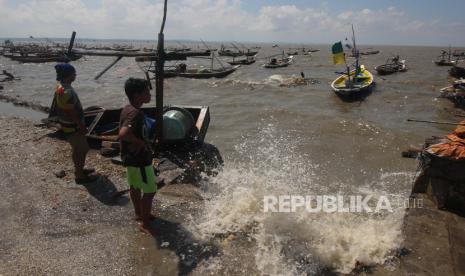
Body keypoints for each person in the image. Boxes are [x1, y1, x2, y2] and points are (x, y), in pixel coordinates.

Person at [119, 78, 157, 234]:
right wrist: (140, 143)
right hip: (140, 160)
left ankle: (139, 214)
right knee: (149, 191)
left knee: (134, 186)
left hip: (129, 158)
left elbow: (122, 131)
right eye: (147, 92)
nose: (150, 94)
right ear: (137, 95)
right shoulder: (136, 114)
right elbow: (124, 133)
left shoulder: (127, 109)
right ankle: (145, 224)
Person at [54, 63, 96, 184]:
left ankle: (79, 169)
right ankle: (80, 176)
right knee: (83, 149)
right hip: (73, 127)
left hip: (66, 125)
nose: (75, 75)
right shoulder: (67, 92)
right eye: (74, 73)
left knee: (76, 149)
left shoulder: (60, 87)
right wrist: (81, 126)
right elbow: (70, 111)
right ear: (69, 75)